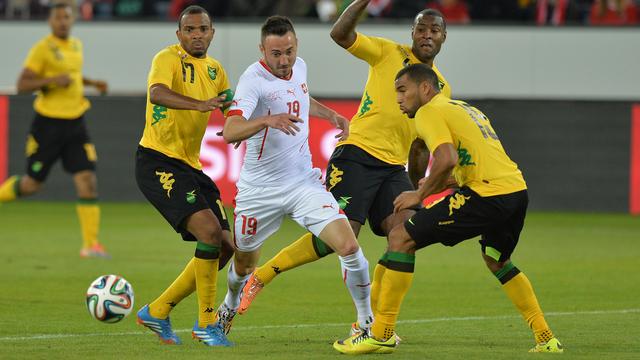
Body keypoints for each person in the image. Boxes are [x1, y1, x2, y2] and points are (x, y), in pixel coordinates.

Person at [240, 2, 452, 336]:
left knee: (405, 236)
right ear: (411, 33)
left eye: (434, 30)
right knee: (344, 236)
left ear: (443, 37)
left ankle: (374, 325)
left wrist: (414, 188)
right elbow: (339, 34)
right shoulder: (387, 52)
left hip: (394, 167)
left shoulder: (440, 86)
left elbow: (420, 145)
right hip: (357, 153)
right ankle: (263, 275)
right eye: (421, 29)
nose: (427, 35)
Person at [334, 64, 564, 354]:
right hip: (515, 192)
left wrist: (419, 194)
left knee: (400, 238)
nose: (399, 99)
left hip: (486, 195)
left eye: (403, 90)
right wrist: (441, 183)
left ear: (425, 88)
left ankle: (381, 334)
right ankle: (546, 338)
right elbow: (471, 161)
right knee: (496, 260)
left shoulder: (429, 112)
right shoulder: (465, 109)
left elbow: (447, 157)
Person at [216, 15, 373, 338]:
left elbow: (300, 98)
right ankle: (229, 304)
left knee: (349, 247)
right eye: (276, 54)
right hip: (259, 191)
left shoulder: (299, 66)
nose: (284, 60)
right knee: (243, 265)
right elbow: (230, 131)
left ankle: (367, 324)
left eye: (288, 50)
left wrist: (330, 114)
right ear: (262, 50)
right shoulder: (252, 81)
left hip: (303, 183)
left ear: (296, 44)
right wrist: (266, 120)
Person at [134, 5, 235, 347]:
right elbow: (156, 93)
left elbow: (231, 106)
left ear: (212, 32)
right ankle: (207, 324)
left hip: (191, 167)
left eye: (202, 29)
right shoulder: (167, 58)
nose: (196, 34)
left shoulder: (217, 71)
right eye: (189, 29)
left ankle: (158, 310)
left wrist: (245, 122)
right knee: (208, 232)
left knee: (226, 247)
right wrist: (198, 105)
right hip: (157, 161)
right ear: (179, 34)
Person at [0, 2, 109, 258]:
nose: (62, 22)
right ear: (50, 22)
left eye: (67, 18)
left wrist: (92, 82)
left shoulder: (75, 45)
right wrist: (50, 80)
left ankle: (91, 245)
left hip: (75, 123)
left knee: (87, 181)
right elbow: (22, 84)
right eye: (58, 18)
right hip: (47, 125)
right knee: (31, 185)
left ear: (72, 21)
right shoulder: (42, 49)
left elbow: (72, 77)